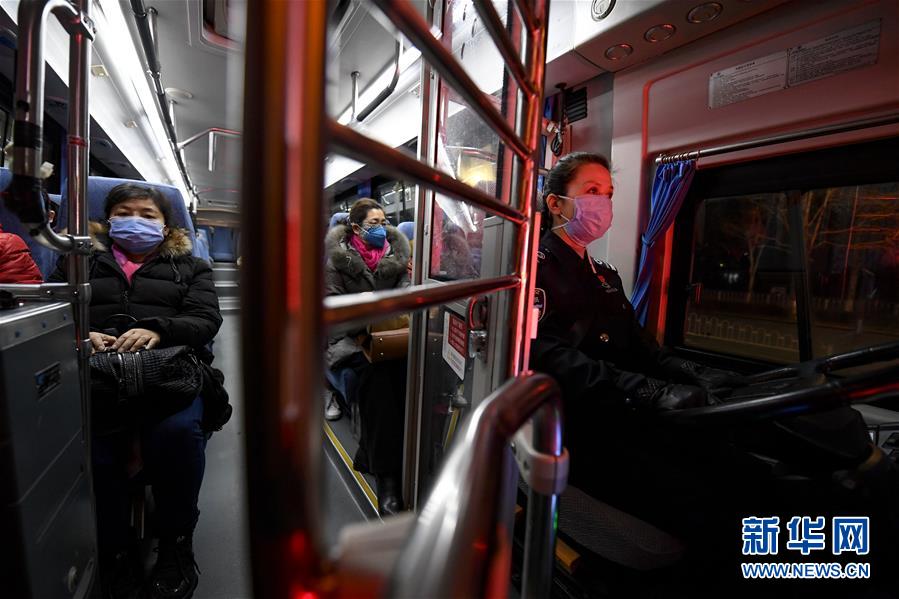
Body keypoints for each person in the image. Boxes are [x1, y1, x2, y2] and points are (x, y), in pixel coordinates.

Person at [529, 153, 897, 588]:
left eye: (608, 194)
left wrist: (697, 373)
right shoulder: (537, 271)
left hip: (637, 412)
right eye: (592, 192)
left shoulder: (605, 277)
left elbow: (647, 352)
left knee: (746, 471)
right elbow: (553, 358)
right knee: (710, 500)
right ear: (556, 203)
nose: (603, 204)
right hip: (590, 424)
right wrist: (650, 392)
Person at [50, 183, 222, 599]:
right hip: (97, 373)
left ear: (166, 225)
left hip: (167, 374)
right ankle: (114, 546)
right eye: (125, 213)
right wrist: (82, 333)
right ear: (108, 220)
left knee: (177, 434)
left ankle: (176, 540)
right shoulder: (80, 260)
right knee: (92, 447)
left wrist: (158, 330)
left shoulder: (191, 268)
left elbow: (205, 319)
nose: (136, 221)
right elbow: (53, 310)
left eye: (148, 215)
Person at [324, 198, 410, 516]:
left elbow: (406, 293)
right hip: (349, 339)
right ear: (357, 228)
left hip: (389, 332)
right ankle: (387, 476)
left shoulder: (396, 254)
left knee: (411, 366)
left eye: (384, 222)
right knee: (379, 374)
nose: (381, 228)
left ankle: (406, 452)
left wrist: (379, 306)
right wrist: (370, 308)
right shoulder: (336, 262)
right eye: (374, 223)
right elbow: (333, 313)